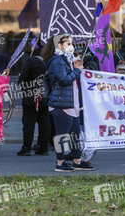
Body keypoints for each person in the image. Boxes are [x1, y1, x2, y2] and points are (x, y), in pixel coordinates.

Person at [42, 34, 94, 172]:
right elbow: (64, 80)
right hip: (61, 104)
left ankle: (77, 161)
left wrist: (76, 67)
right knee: (62, 135)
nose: (71, 46)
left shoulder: (67, 60)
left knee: (75, 135)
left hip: (72, 104)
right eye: (67, 44)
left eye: (71, 43)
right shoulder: (57, 61)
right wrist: (77, 70)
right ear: (59, 45)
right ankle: (60, 163)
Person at [17, 38, 51, 156]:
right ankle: (44, 147)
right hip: (45, 96)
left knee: (28, 123)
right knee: (44, 123)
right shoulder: (47, 62)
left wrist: (21, 79)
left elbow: (23, 78)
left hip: (30, 98)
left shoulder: (30, 62)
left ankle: (26, 148)